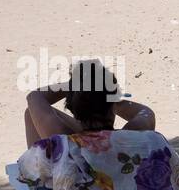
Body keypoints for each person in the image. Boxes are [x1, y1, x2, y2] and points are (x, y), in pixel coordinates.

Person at [24, 59, 157, 147]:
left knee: (31, 114)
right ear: (112, 106)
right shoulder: (132, 136)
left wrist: (74, 86)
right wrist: (112, 98)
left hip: (70, 186)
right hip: (121, 187)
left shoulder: (65, 142)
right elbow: (146, 112)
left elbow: (34, 97)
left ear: (72, 108)